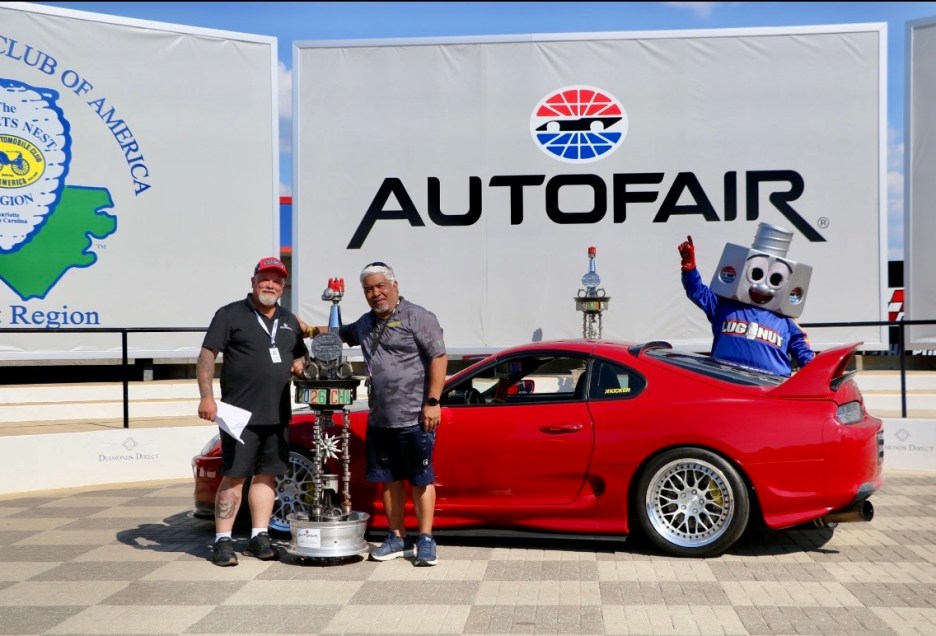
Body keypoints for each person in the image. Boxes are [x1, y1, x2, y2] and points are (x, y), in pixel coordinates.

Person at [314, 261, 446, 566]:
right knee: (389, 481)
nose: (375, 293)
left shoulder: (418, 316)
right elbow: (336, 334)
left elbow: (438, 357)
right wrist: (306, 329)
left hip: (415, 417)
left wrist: (433, 401)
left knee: (420, 480)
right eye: (369, 289)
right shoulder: (365, 323)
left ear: (394, 285)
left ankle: (426, 540)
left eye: (380, 286)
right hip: (380, 419)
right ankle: (397, 538)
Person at [197, 256, 309, 566]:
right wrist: (206, 397)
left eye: (276, 280)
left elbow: (299, 357)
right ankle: (222, 540)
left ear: (283, 286)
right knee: (234, 476)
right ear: (253, 282)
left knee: (267, 476)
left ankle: (259, 535)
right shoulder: (230, 314)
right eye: (265, 279)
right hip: (238, 414)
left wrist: (300, 365)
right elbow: (207, 356)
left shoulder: (289, 320)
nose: (270, 284)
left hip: (277, 413)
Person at [678, 234, 814, 376]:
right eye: (756, 274)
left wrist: (817, 376)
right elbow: (697, 292)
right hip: (725, 382)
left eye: (775, 279)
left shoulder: (786, 320)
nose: (763, 285)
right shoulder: (724, 305)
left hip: (771, 387)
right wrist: (689, 267)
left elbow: (806, 356)